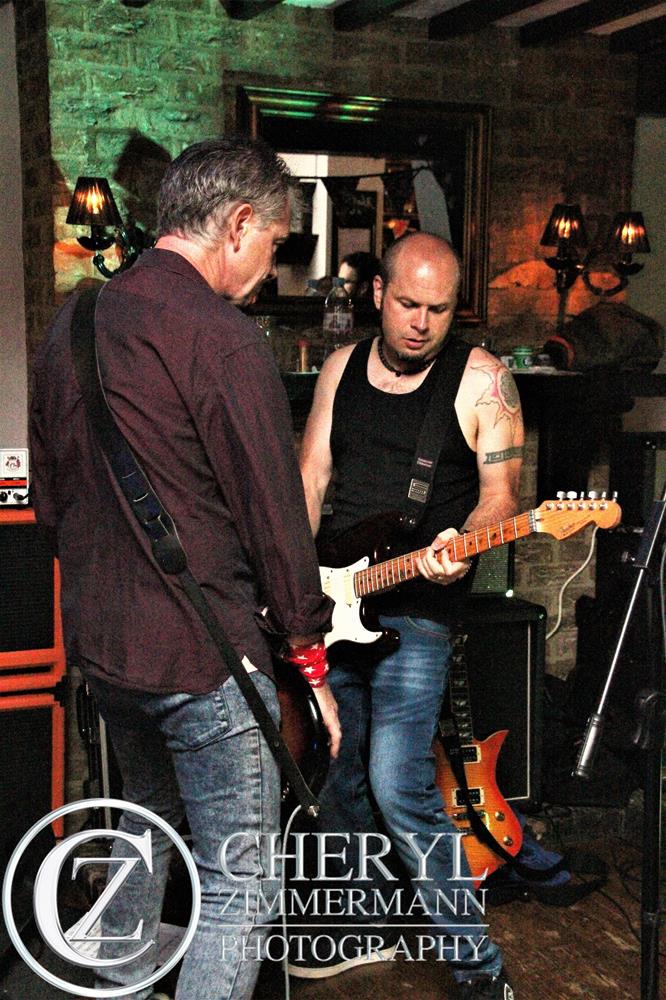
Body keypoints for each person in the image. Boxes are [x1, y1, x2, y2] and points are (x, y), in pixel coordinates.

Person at [29, 136, 341, 1000]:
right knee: (240, 884)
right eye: (274, 241)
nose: (270, 265)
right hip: (204, 660)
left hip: (107, 652)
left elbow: (50, 500)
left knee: (144, 834)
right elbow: (275, 517)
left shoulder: (75, 321)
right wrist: (311, 663)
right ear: (237, 225)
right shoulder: (221, 337)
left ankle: (117, 988)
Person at [293, 232, 523, 998]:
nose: (421, 323)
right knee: (336, 776)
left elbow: (501, 497)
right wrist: (294, 587)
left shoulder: (483, 380)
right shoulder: (340, 368)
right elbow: (311, 478)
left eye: (439, 309)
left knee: (398, 786)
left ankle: (479, 970)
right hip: (334, 600)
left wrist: (465, 539)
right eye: (408, 304)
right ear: (377, 294)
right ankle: (364, 925)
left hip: (419, 611)